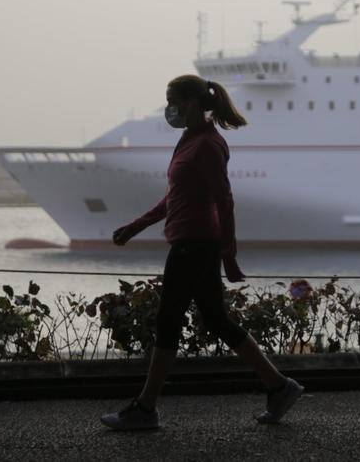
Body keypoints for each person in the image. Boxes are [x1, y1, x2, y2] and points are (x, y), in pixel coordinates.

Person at [100, 75, 304, 431]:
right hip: (191, 241)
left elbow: (224, 200)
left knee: (168, 322)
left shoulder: (209, 145)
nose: (168, 109)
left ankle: (145, 409)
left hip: (195, 244)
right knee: (217, 321)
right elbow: (174, 196)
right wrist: (136, 226)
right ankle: (279, 386)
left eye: (172, 101)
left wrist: (229, 254)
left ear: (192, 103)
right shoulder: (188, 140)